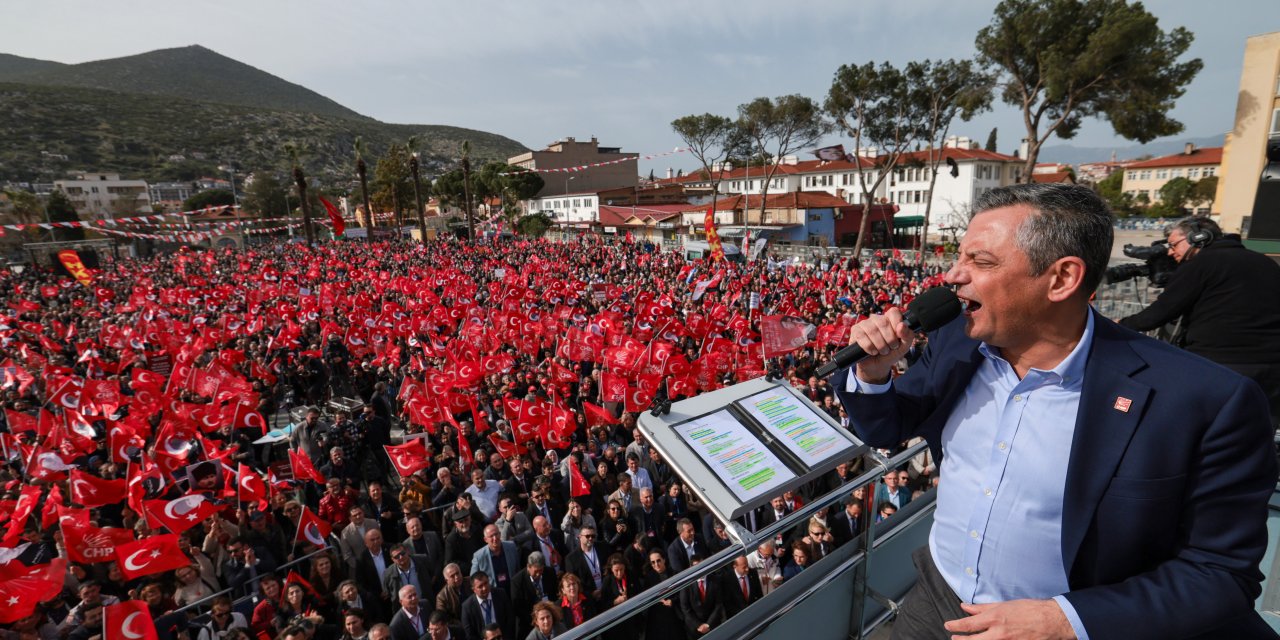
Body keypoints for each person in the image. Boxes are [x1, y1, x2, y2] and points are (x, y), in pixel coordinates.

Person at [833, 184, 1276, 639]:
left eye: (980, 261)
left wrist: (1066, 620)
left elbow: (1219, 573)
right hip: (937, 598)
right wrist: (872, 373)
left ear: (1062, 278)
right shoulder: (954, 342)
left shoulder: (1205, 401)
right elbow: (887, 427)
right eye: (960, 256)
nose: (952, 275)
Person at [1120, 215, 1280, 425]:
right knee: (1257, 432)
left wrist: (1120, 326)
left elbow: (1158, 314)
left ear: (1198, 237)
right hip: (1272, 368)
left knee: (1203, 430)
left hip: (1220, 366)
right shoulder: (1266, 262)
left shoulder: (1201, 264)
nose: (1170, 252)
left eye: (1173, 244)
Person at [460, 572, 516, 640]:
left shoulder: (501, 594)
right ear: (474, 589)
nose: (484, 588)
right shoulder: (467, 607)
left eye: (486, 583)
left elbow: (510, 618)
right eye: (480, 586)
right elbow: (469, 633)